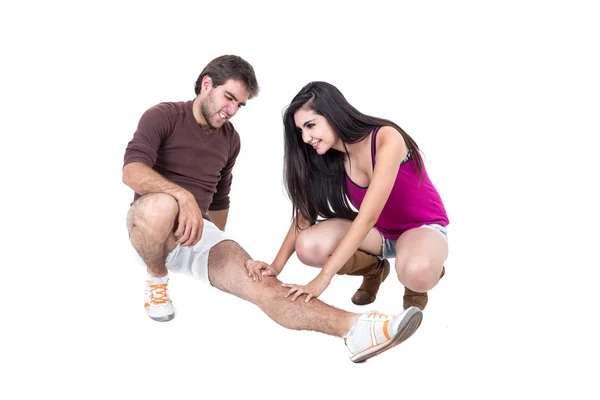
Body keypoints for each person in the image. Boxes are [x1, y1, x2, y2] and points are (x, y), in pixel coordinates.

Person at [123, 55, 423, 363]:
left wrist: (215, 244)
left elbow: (220, 198)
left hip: (197, 232)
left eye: (239, 105)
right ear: (207, 84)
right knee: (162, 205)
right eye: (228, 98)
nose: (231, 110)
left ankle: (357, 330)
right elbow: (131, 171)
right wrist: (182, 198)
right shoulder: (163, 115)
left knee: (263, 284)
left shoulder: (230, 140)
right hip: (151, 229)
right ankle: (156, 277)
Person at [245, 81, 448, 310]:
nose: (305, 138)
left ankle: (420, 274)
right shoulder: (329, 157)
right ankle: (375, 270)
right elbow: (304, 216)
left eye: (311, 125)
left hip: (420, 227)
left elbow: (368, 215)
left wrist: (322, 279)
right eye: (301, 131)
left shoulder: (386, 138)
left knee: (416, 272)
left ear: (332, 114)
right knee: (308, 245)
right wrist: (275, 266)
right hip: (378, 236)